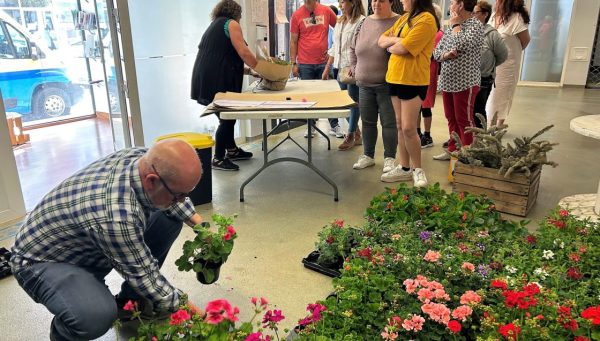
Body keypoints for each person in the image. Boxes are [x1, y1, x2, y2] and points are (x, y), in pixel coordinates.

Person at [10, 138, 204, 341]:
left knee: (167, 218)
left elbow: (171, 195)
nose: (182, 200)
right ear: (152, 181)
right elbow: (145, 274)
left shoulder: (141, 159)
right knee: (95, 316)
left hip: (80, 242)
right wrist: (200, 316)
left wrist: (201, 227)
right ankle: (64, 335)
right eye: (179, 196)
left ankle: (130, 302)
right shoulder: (115, 216)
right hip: (41, 261)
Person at [191, 0, 258, 171]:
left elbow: (225, 59)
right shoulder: (231, 23)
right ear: (235, 12)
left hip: (205, 77)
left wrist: (250, 72)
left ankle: (232, 150)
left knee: (225, 116)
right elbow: (243, 52)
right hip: (217, 79)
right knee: (227, 118)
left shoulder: (216, 25)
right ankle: (218, 158)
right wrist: (262, 68)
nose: (241, 18)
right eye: (240, 15)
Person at [378, 0, 439, 187]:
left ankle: (418, 169)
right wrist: (398, 41)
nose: (402, 1)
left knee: (408, 128)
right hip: (395, 76)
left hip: (413, 79)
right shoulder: (404, 18)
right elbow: (381, 40)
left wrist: (396, 44)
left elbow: (402, 49)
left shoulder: (427, 20)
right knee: (399, 125)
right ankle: (404, 168)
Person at [349, 0, 399, 172]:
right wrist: (354, 67)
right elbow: (352, 47)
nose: (376, 3)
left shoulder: (398, 22)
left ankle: (389, 158)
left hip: (387, 84)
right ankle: (368, 155)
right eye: (374, 0)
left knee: (389, 123)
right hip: (364, 84)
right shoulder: (364, 22)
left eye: (381, 0)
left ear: (391, 2)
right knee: (368, 122)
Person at [432, 0, 484, 161]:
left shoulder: (475, 25)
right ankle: (453, 149)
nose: (450, 6)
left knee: (464, 119)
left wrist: (455, 27)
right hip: (448, 81)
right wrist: (446, 55)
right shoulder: (452, 27)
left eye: (453, 2)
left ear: (461, 5)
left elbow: (461, 43)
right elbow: (436, 52)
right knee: (451, 117)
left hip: (465, 82)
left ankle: (467, 155)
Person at [289, 0, 340, 138]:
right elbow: (293, 41)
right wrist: (293, 63)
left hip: (324, 62)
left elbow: (341, 28)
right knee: (308, 97)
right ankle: (310, 125)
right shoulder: (297, 15)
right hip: (305, 63)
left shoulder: (326, 11)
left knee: (329, 95)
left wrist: (333, 50)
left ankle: (334, 125)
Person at [322, 0, 366, 151]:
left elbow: (361, 47)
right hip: (338, 67)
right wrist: (327, 68)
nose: (340, 5)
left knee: (352, 102)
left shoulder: (361, 21)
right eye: (339, 2)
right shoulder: (339, 22)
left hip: (352, 68)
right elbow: (335, 47)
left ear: (353, 3)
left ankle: (351, 134)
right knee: (342, 103)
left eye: (342, 2)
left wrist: (357, 67)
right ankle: (356, 132)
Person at [485, 0, 530, 127]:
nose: (496, 2)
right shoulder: (494, 16)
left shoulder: (516, 18)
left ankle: (497, 125)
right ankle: (488, 123)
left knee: (502, 94)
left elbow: (525, 41)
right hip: (491, 61)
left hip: (507, 64)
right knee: (489, 95)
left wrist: (513, 52)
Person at [472, 0, 508, 128]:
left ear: (485, 14)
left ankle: (481, 140)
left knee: (478, 111)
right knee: (466, 111)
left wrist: (488, 65)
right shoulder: (468, 31)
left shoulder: (492, 34)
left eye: (475, 13)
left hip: (483, 79)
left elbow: (503, 55)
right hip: (467, 78)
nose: (472, 15)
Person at [417, 3, 443, 148]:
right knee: (416, 106)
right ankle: (417, 133)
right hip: (418, 71)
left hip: (429, 72)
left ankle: (427, 135)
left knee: (425, 105)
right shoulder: (425, 30)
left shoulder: (438, 34)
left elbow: (434, 54)